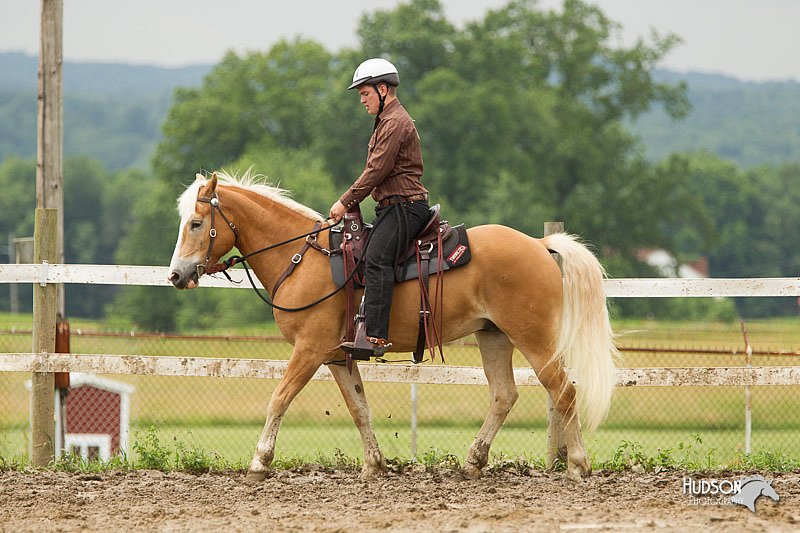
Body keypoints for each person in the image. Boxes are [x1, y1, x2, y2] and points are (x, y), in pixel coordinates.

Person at [329, 58, 430, 358]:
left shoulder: (395, 123)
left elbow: (376, 170)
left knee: (376, 260)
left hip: (405, 208)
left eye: (365, 93)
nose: (361, 100)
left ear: (383, 89)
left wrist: (346, 201)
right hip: (392, 208)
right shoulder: (387, 121)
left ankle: (375, 337)